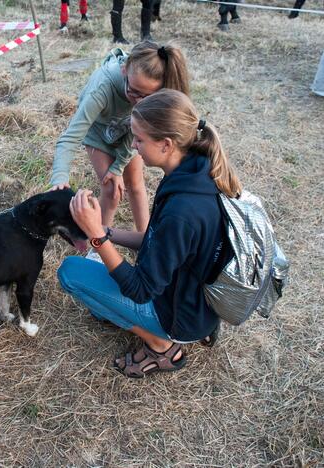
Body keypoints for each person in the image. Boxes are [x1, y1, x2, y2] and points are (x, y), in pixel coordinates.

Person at [57, 89, 242, 378]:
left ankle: (161, 345)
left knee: (70, 272)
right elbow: (159, 242)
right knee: (97, 280)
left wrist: (96, 236)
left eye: (140, 139)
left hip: (181, 317)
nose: (133, 145)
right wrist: (108, 232)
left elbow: (140, 289)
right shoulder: (195, 172)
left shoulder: (183, 210)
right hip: (198, 302)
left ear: (166, 144)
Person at [50, 42, 190, 260]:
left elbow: (137, 132)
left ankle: (146, 241)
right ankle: (97, 249)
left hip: (131, 134)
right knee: (111, 190)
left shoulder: (147, 94)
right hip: (99, 131)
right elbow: (71, 136)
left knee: (135, 184)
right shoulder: (103, 88)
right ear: (124, 70)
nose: (138, 101)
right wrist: (60, 176)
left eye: (146, 97)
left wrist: (119, 165)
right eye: (133, 92)